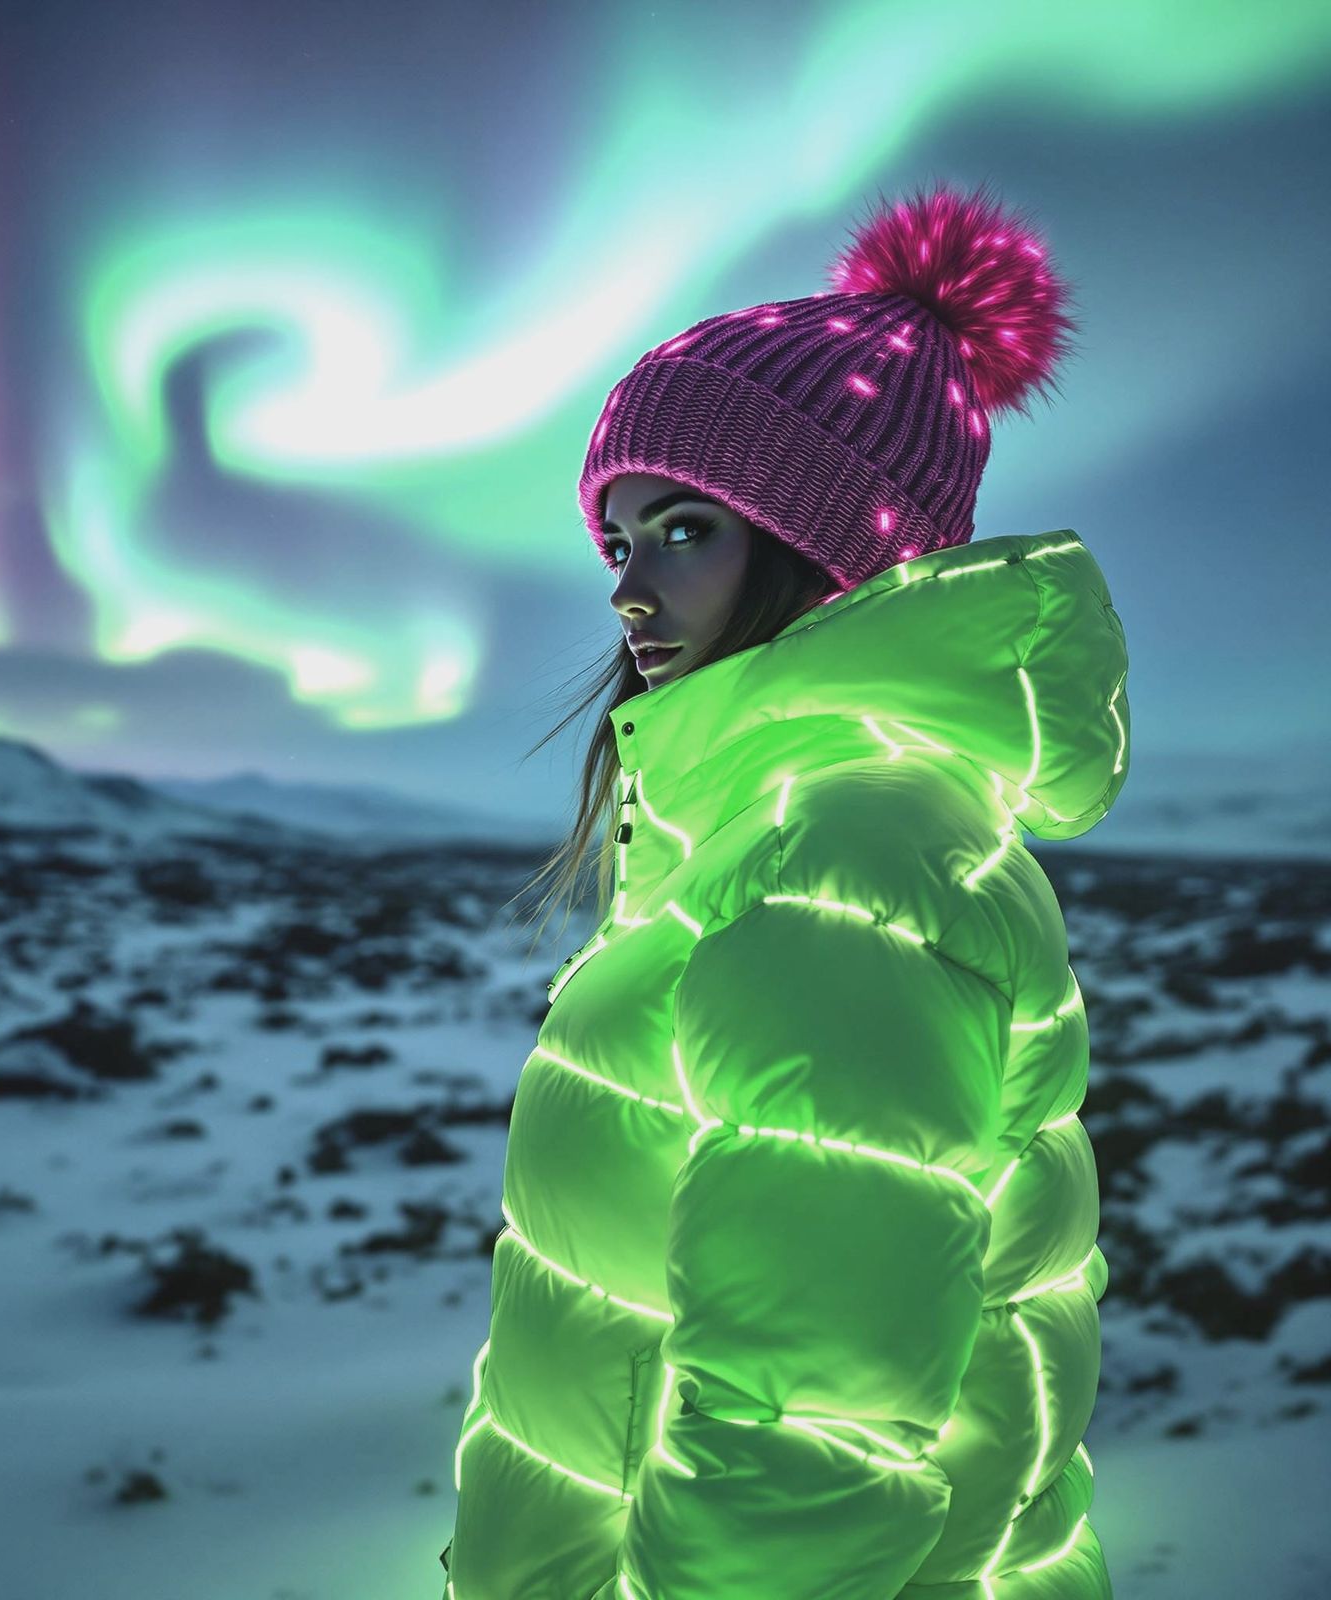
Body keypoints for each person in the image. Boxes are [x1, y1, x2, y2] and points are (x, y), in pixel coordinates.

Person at [439, 179, 1127, 1599]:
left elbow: (806, 1438)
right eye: (619, 541)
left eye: (687, 529)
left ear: (834, 544)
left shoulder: (847, 863)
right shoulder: (791, 835)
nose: (631, 591)